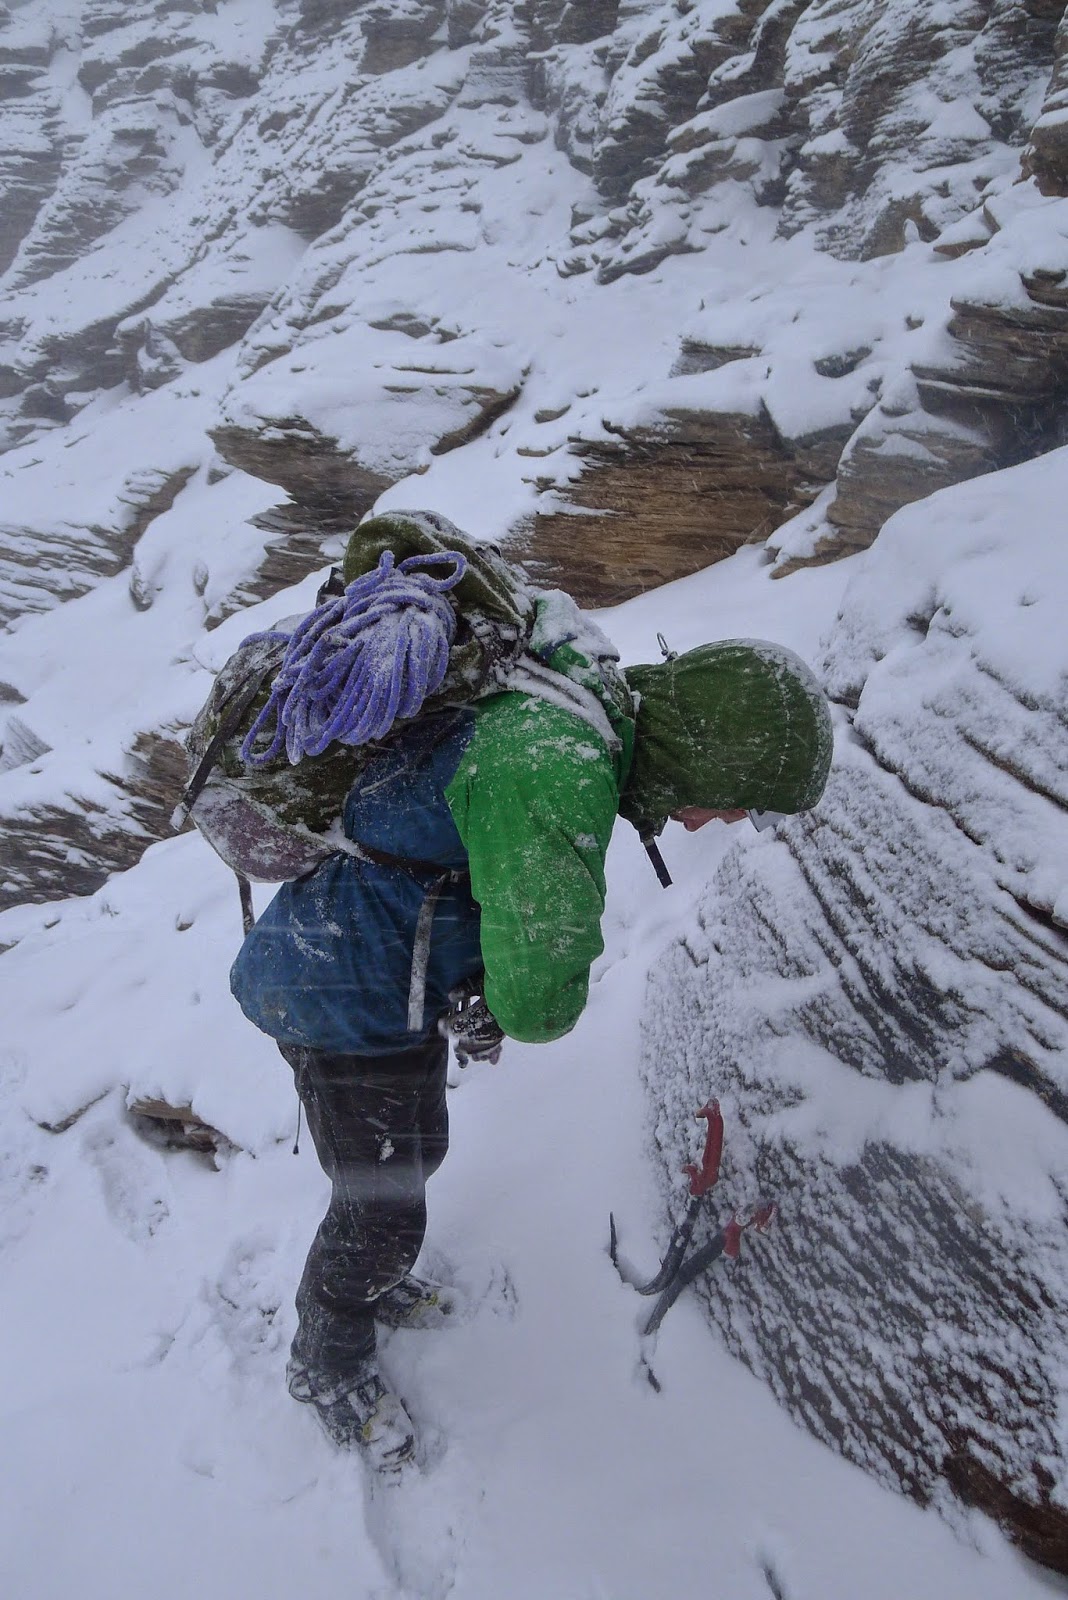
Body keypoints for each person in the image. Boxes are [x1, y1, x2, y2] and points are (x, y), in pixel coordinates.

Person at [226, 510, 833, 1470]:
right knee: (382, 1199)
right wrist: (504, 987)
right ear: (712, 757)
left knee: (410, 1153)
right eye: (740, 795)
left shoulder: (591, 686)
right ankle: (327, 1349)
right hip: (339, 987)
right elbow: (543, 1000)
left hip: (390, 969)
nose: (725, 819)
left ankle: (370, 1286)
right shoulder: (557, 768)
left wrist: (470, 978)